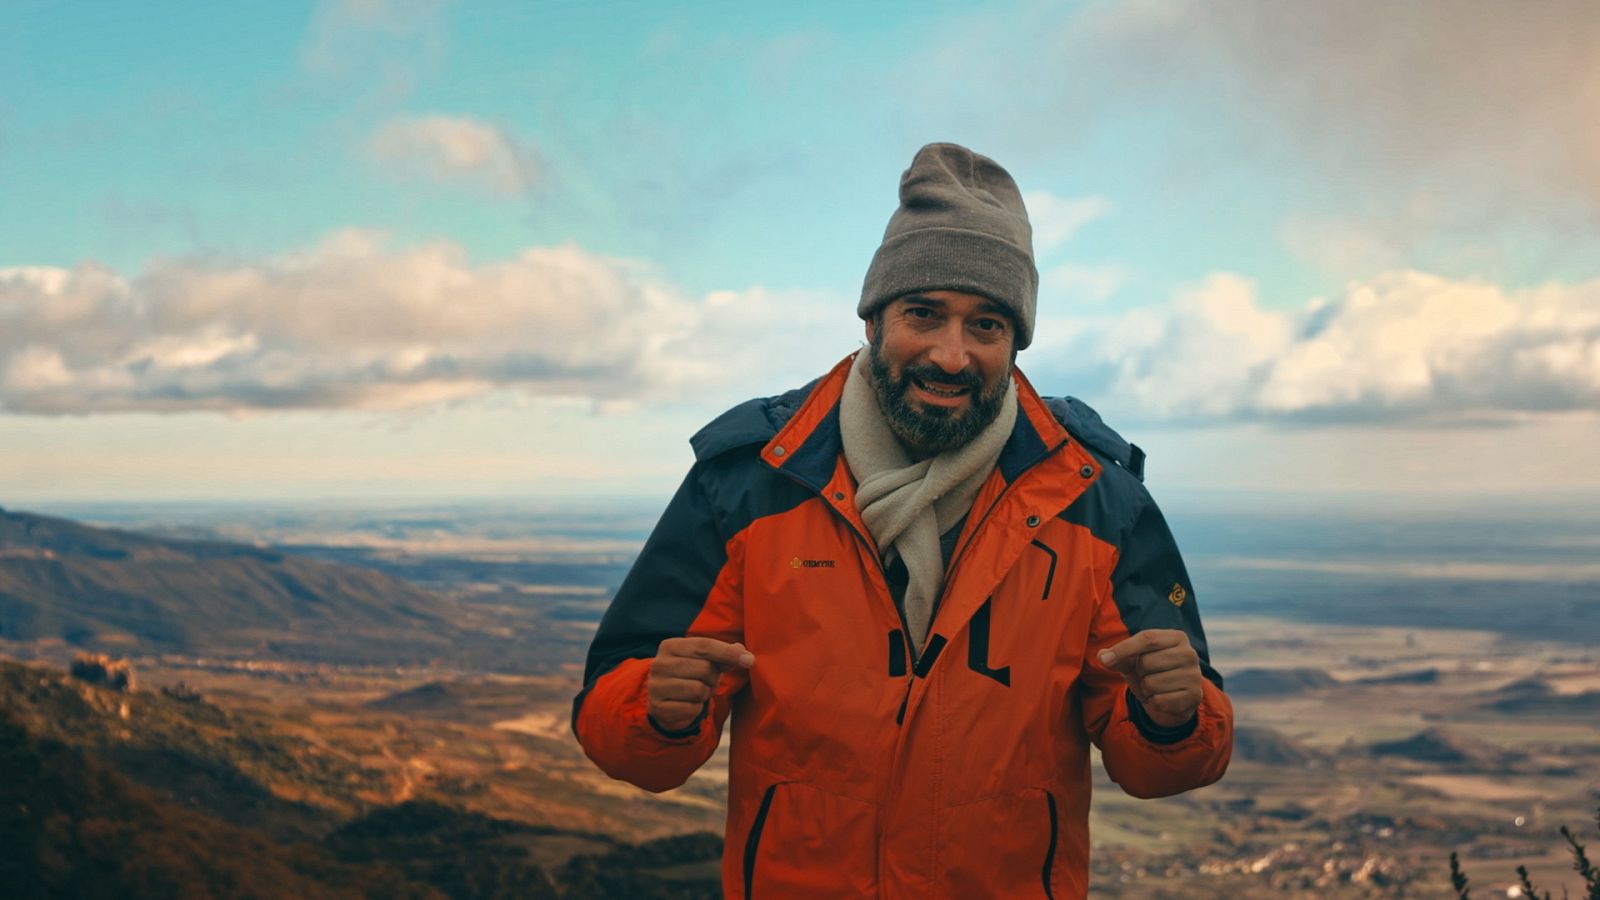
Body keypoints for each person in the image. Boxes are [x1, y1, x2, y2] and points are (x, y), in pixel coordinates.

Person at [572, 142, 1233, 899]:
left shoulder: (1096, 501)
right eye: (925, 315)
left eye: (986, 326)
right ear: (875, 320)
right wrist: (653, 708)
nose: (952, 357)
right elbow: (620, 730)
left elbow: (1162, 762)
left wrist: (1174, 720)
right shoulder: (750, 485)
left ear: (1015, 343)